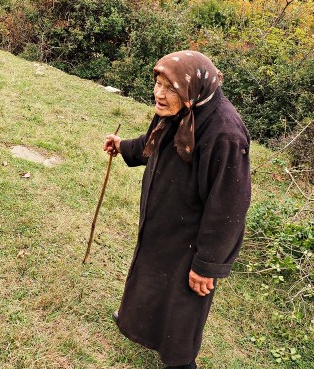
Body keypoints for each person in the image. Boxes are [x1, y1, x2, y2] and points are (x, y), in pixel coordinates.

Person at [103, 51, 251, 368]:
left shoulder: (225, 133)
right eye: (158, 83)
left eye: (169, 88)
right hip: (165, 221)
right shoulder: (180, 106)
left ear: (191, 88)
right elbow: (153, 143)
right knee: (150, 278)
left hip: (193, 237)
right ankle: (137, 322)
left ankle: (181, 362)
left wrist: (207, 264)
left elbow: (229, 206)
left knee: (184, 301)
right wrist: (123, 146)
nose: (158, 94)